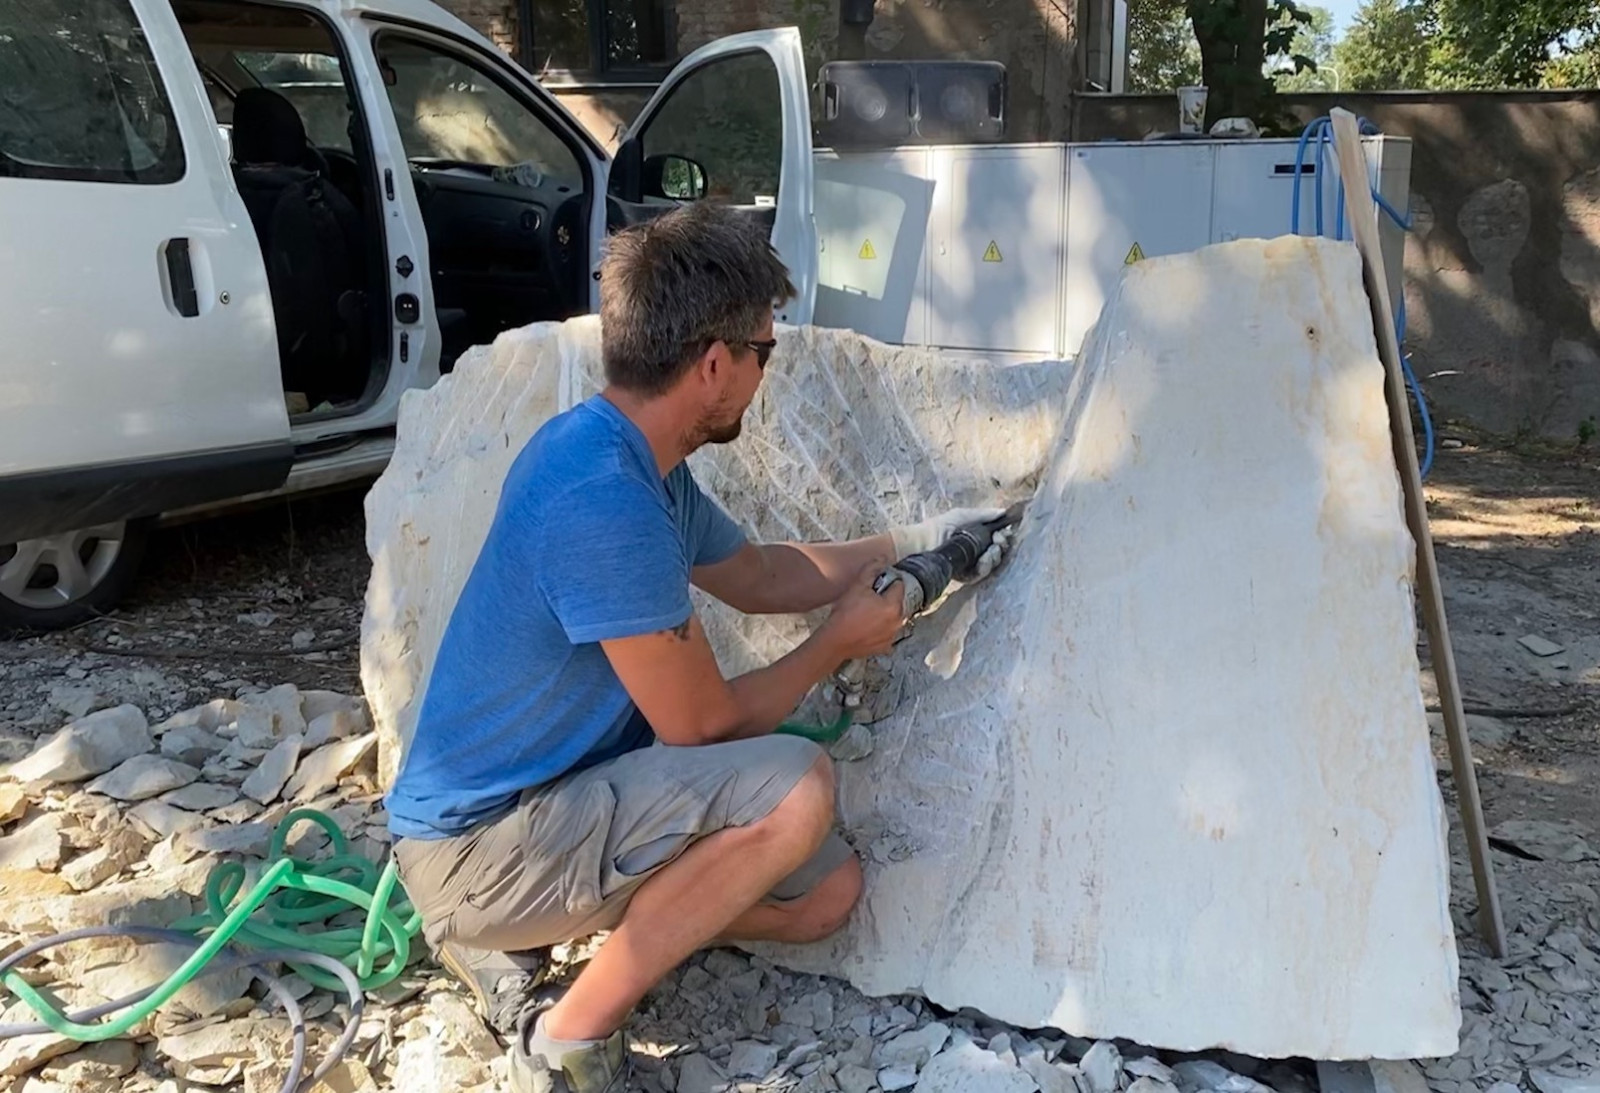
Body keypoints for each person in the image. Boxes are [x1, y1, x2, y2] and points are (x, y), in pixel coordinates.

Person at [384, 202, 1010, 1093]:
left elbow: (760, 574)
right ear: (715, 362)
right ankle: (562, 1039)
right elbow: (704, 727)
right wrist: (837, 643)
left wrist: (912, 540)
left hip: (560, 799)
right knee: (797, 790)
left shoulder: (640, 462)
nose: (765, 373)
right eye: (765, 353)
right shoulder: (602, 497)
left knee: (824, 896)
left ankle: (538, 939)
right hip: (476, 848)